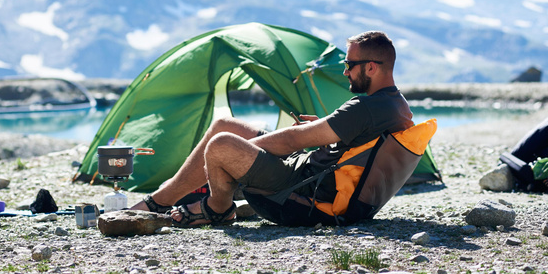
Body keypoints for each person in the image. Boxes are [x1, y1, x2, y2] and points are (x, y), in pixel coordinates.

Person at [129, 30, 415, 227]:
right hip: (311, 173)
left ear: (372, 68)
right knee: (224, 126)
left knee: (220, 145)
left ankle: (218, 208)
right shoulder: (395, 105)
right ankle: (159, 201)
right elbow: (353, 144)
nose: (345, 71)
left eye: (349, 64)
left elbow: (293, 139)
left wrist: (231, 158)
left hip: (303, 192)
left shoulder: (366, 107)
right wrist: (317, 130)